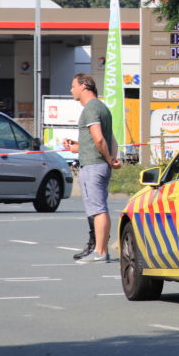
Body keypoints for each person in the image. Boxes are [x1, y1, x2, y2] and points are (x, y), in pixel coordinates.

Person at [62, 73, 121, 264]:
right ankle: (101, 250)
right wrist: (111, 159)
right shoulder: (103, 108)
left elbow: (99, 139)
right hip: (100, 164)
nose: (71, 90)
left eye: (73, 86)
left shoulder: (90, 109)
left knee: (98, 210)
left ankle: (100, 253)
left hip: (93, 166)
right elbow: (110, 139)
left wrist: (107, 158)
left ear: (84, 87)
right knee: (101, 208)